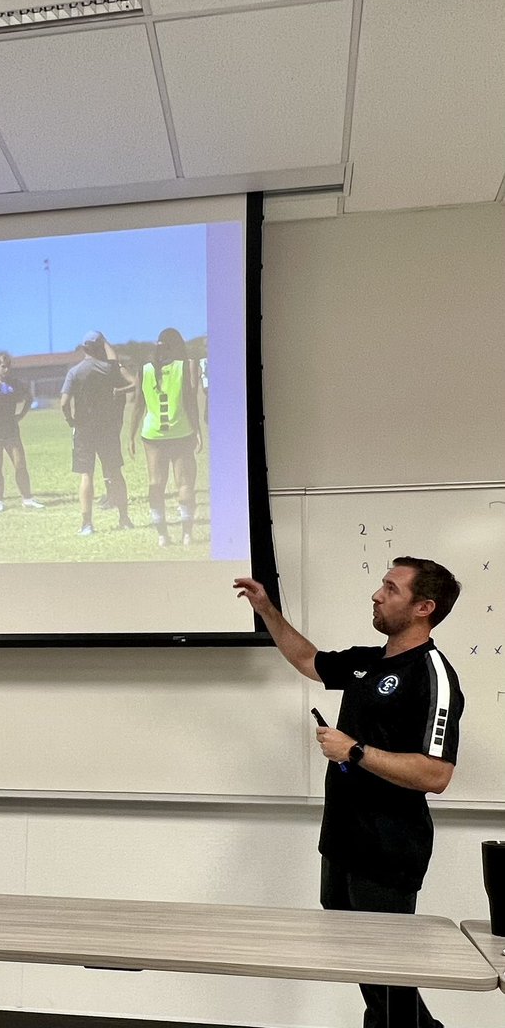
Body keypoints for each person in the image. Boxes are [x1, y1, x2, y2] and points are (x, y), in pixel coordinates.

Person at [234, 557, 464, 1028]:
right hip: (342, 839)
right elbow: (306, 659)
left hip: (389, 846)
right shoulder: (367, 661)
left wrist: (355, 750)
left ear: (424, 607)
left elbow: (436, 775)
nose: (377, 595)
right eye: (382, 585)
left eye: (391, 589)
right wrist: (266, 609)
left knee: (389, 970)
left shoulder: (433, 674)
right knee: (361, 962)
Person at [128, 327, 201, 546]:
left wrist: (130, 435)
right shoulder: (185, 367)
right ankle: (187, 535)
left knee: (155, 484)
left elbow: (137, 406)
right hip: (182, 432)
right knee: (185, 484)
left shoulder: (145, 369)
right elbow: (190, 403)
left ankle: (162, 536)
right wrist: (198, 431)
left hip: (152, 435)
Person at [60, 331, 133, 535]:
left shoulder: (74, 372)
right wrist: (105, 339)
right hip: (107, 428)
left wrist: (70, 419)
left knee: (87, 475)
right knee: (115, 472)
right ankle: (124, 518)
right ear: (99, 346)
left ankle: (87, 524)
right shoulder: (108, 369)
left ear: (84, 348)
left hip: (83, 428)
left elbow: (64, 402)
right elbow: (114, 359)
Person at [0, 353, 44, 512]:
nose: (6, 369)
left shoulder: (16, 384)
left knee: (20, 465)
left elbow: (29, 398)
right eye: (3, 366)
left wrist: (21, 415)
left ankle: (27, 499)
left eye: (8, 366)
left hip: (11, 430)